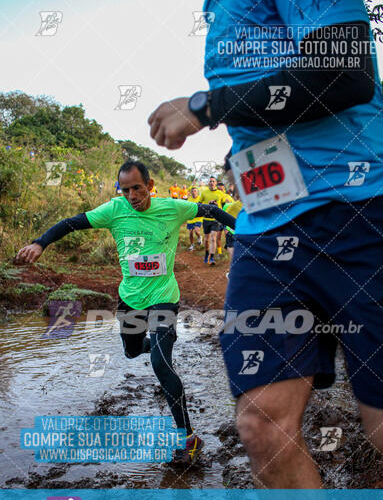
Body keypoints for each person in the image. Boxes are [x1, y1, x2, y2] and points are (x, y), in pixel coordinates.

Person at [149, 0, 383, 500]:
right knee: (261, 425)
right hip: (266, 229)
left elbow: (344, 74)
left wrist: (207, 105)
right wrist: (243, 158)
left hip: (357, 211)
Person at [16, 159, 235, 465]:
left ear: (150, 187)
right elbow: (70, 223)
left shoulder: (173, 208)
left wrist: (243, 233)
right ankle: (158, 341)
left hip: (163, 297)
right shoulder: (114, 210)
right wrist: (40, 243)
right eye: (126, 189)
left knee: (160, 361)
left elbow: (212, 211)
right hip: (130, 300)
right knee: (132, 352)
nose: (132, 195)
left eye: (138, 188)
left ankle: (188, 437)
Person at [198, 176, 226, 265]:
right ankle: (206, 254)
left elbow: (224, 205)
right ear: (208, 183)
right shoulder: (204, 193)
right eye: (210, 181)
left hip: (215, 219)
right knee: (206, 239)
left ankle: (212, 258)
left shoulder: (220, 193)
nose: (211, 183)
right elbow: (199, 203)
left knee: (213, 238)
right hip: (206, 218)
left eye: (213, 181)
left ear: (216, 183)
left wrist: (217, 206)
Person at [216, 181, 233, 257]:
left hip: (226, 218)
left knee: (227, 233)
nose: (220, 191)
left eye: (221, 189)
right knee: (218, 235)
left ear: (224, 189)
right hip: (219, 218)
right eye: (218, 189)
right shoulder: (216, 196)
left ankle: (228, 245)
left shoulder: (227, 196)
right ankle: (219, 252)